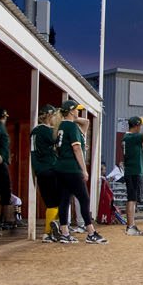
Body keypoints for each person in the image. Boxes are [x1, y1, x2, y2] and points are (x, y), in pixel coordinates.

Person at [54, 101, 106, 243]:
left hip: (61, 168)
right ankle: (91, 232)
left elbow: (87, 122)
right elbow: (76, 149)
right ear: (71, 111)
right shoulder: (71, 127)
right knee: (84, 199)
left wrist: (72, 117)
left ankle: (64, 232)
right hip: (72, 168)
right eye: (76, 110)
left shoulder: (62, 126)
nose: (78, 112)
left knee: (64, 200)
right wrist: (84, 170)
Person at [29, 105, 76, 243]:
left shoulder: (35, 131)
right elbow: (59, 139)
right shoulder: (44, 129)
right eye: (54, 115)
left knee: (52, 202)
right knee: (58, 201)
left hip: (41, 169)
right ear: (49, 116)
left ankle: (51, 232)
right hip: (49, 168)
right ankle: (51, 232)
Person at [121, 115, 143, 236]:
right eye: (139, 125)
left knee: (133, 199)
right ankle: (130, 227)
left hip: (133, 171)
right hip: (133, 172)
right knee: (132, 199)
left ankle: (131, 225)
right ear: (136, 126)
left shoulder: (128, 137)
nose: (140, 128)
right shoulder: (132, 137)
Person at [0, 108, 16, 232]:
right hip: (0, 164)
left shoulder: (2, 127)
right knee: (5, 190)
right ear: (4, 116)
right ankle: (6, 220)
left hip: (3, 162)